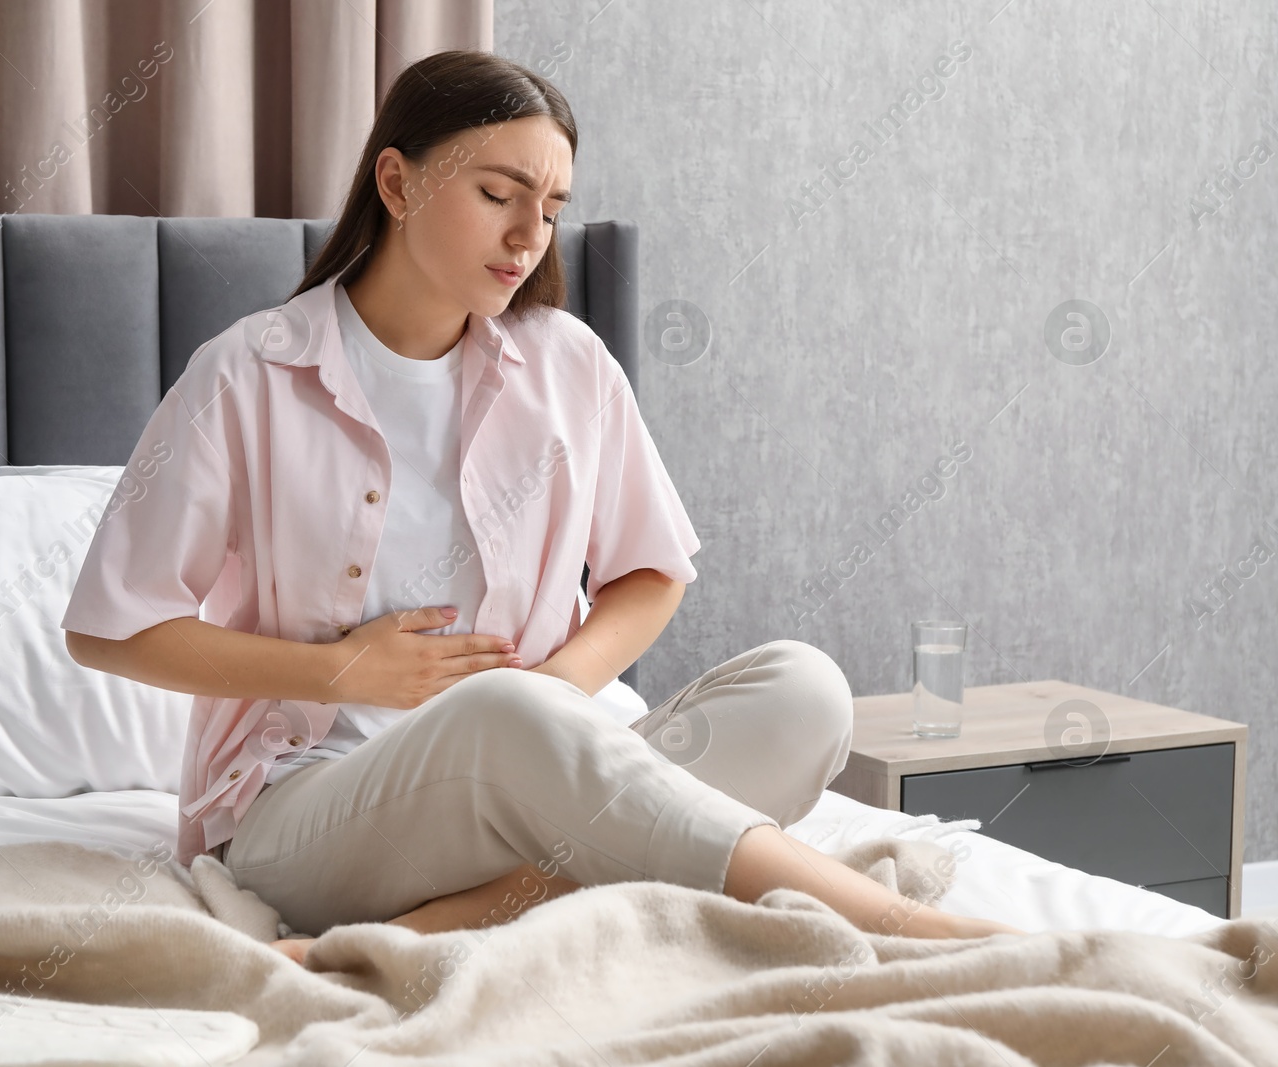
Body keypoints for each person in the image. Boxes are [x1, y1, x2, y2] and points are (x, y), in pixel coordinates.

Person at [62, 49, 1023, 969]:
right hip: (309, 817)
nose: (530, 235)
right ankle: (913, 929)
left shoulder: (566, 363)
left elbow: (650, 573)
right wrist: (341, 669)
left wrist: (561, 688)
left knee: (803, 692)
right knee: (510, 717)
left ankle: (461, 919)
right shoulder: (251, 372)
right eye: (497, 195)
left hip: (541, 765)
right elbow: (112, 630)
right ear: (396, 185)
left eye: (552, 209)